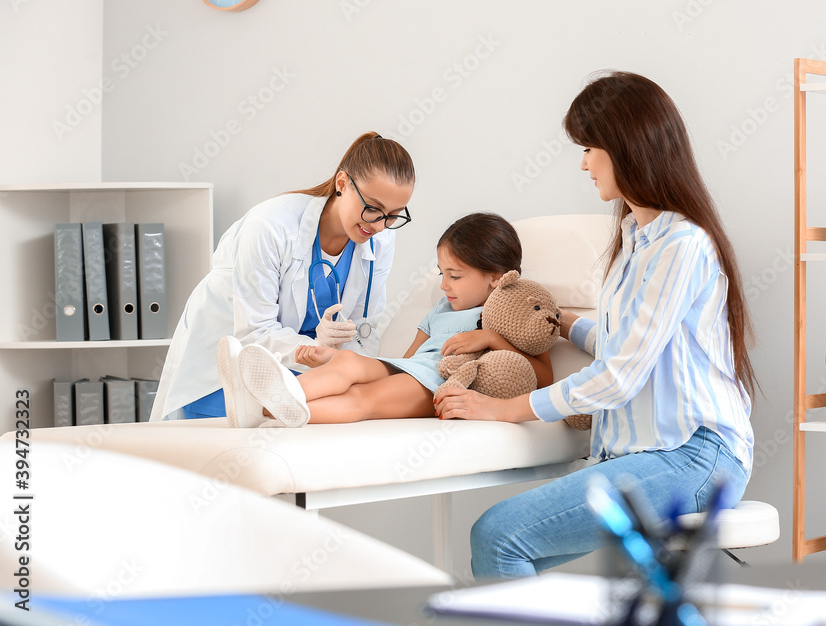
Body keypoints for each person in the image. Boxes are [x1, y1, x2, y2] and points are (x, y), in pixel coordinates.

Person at [434, 72, 757, 578]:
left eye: (590, 146)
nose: (583, 162)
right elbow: (624, 345)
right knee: (504, 541)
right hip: (655, 458)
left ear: (629, 145)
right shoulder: (636, 241)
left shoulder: (681, 245)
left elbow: (618, 377)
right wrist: (557, 322)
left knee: (498, 538)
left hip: (692, 457)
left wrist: (502, 409)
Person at [149, 132, 415, 422]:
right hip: (225, 371)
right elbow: (253, 331)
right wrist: (319, 349)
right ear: (342, 184)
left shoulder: (381, 239)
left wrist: (339, 358)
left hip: (298, 372)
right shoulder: (270, 226)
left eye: (393, 215)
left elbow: (363, 329)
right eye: (373, 208)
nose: (379, 225)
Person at [221, 213, 555, 427]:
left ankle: (264, 412)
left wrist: (490, 339)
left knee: (363, 400)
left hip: (439, 385)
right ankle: (262, 399)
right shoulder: (441, 309)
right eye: (442, 274)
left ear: (496, 277)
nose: (444, 284)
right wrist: (338, 358)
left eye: (454, 276)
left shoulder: (503, 316)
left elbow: (543, 376)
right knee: (349, 363)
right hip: (414, 371)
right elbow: (408, 360)